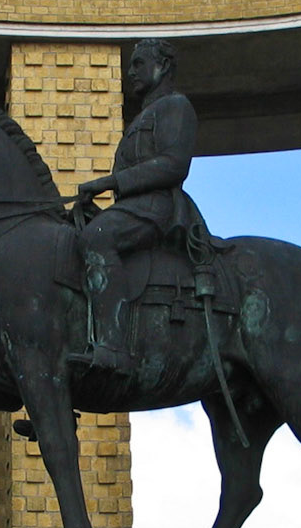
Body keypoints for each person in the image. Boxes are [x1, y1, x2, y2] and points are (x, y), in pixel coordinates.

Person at [75, 37, 204, 372]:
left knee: (96, 238)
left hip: (156, 207)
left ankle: (114, 348)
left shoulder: (176, 106)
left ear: (162, 66)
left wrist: (108, 182)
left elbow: (174, 164)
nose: (130, 72)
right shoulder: (145, 115)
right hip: (132, 208)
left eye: (138, 64)